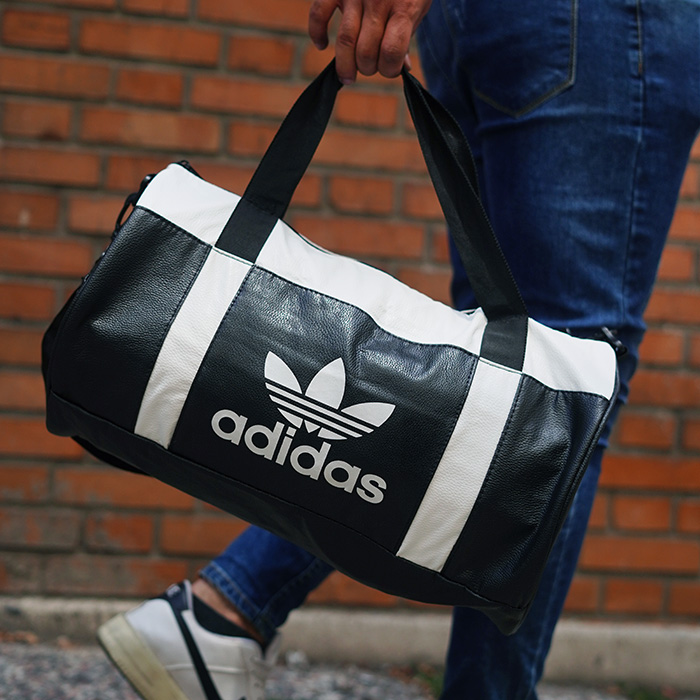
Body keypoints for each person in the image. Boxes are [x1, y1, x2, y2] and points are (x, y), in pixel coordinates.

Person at [97, 1, 700, 699]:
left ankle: (224, 611)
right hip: (607, 29)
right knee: (564, 398)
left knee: (501, 386)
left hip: (493, 25)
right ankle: (232, 611)